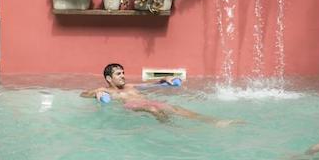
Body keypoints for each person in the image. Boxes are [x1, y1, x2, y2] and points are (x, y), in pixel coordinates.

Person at [81, 63, 239, 127]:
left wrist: (163, 79)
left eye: (123, 72)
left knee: (175, 108)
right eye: (118, 74)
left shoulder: (130, 86)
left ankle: (214, 121)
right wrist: (97, 93)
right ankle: (175, 128)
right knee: (153, 109)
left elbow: (149, 85)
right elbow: (83, 94)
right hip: (132, 106)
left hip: (148, 101)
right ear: (109, 78)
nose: (123, 76)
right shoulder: (107, 90)